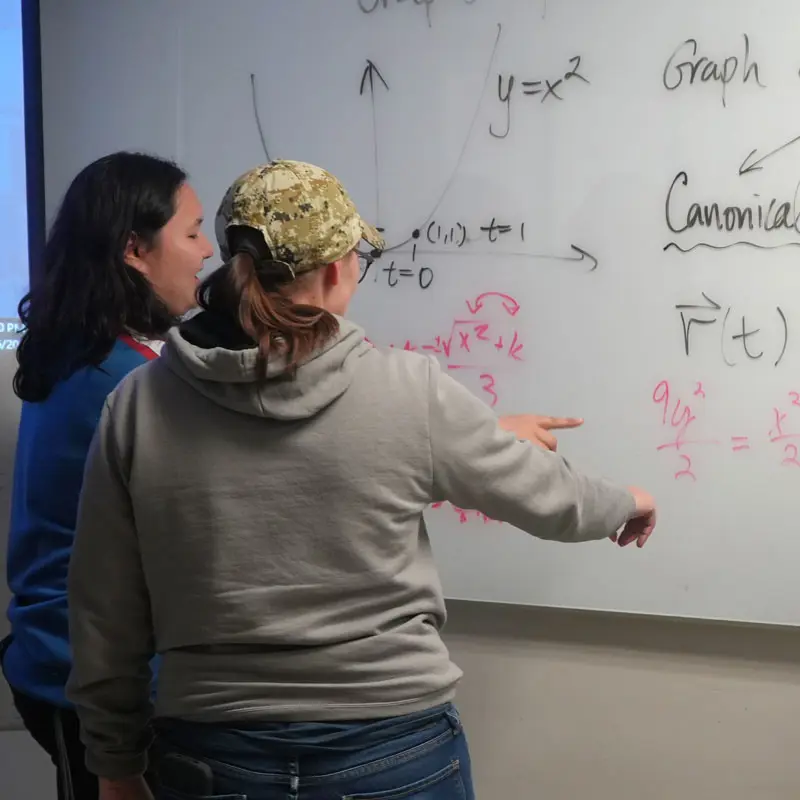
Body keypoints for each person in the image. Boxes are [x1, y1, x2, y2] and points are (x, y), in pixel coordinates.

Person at [65, 160, 657, 800]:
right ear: (330, 272)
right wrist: (626, 503)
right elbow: (549, 499)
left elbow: (105, 610)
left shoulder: (135, 405)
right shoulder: (407, 391)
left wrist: (116, 765)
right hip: (392, 750)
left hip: (213, 755)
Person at [1, 151, 213, 800]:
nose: (207, 251)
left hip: (76, 666)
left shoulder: (92, 351)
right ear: (134, 250)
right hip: (94, 679)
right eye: (192, 231)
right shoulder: (119, 383)